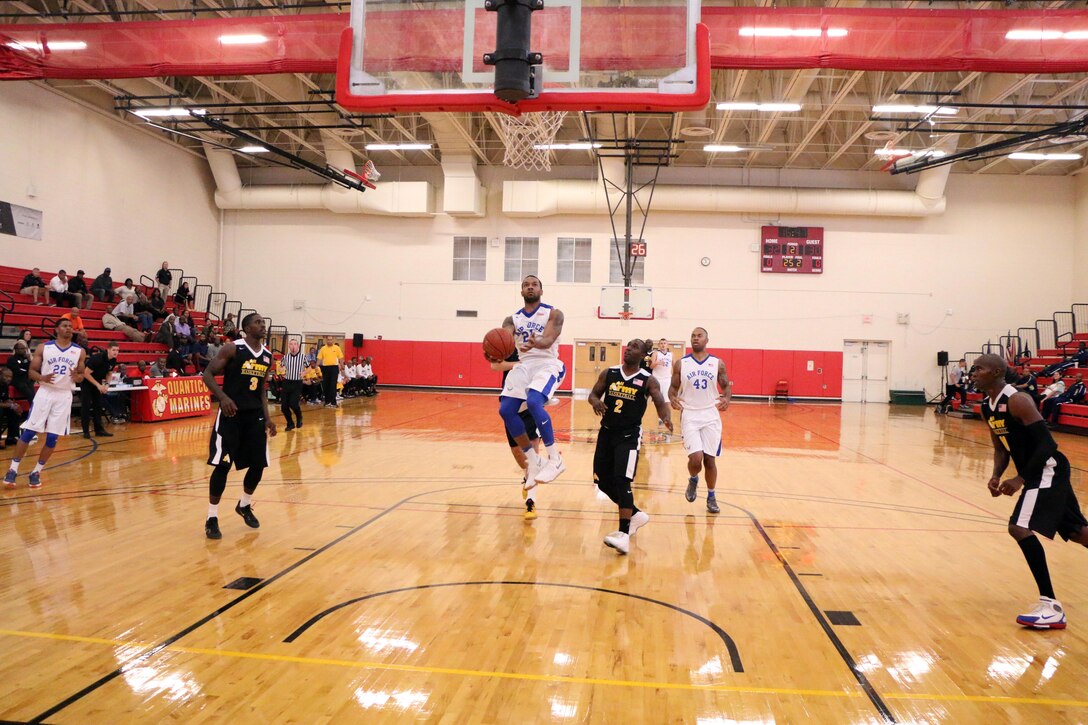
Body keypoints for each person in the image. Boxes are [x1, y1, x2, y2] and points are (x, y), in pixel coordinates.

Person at [972, 353, 1088, 629]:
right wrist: (997, 475)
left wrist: (1020, 479)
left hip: (1047, 470)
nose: (973, 373)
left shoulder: (1018, 400)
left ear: (997, 371)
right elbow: (1001, 447)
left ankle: (1051, 606)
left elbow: (1048, 445)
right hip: (1038, 472)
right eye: (973, 369)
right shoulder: (988, 407)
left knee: (1018, 526)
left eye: (979, 369)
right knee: (1078, 532)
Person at [588, 339, 673, 554]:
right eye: (629, 346)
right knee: (602, 481)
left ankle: (624, 534)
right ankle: (635, 514)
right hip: (606, 433)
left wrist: (666, 417)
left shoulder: (648, 379)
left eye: (635, 347)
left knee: (622, 480)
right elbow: (593, 394)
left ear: (643, 355)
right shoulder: (610, 373)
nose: (629, 349)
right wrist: (595, 401)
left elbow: (659, 400)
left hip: (629, 436)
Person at [202, 312, 277, 539]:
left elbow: (262, 390)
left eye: (264, 322)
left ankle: (244, 505)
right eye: (258, 322)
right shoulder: (232, 348)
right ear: (246, 328)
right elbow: (207, 374)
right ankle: (211, 518)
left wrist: (269, 417)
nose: (263, 325)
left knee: (258, 464)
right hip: (231, 416)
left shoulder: (267, 356)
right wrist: (223, 398)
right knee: (222, 466)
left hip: (255, 417)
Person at [499, 275, 567, 489]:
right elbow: (505, 340)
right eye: (526, 285)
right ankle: (535, 462)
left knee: (535, 401)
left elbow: (547, 340)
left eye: (534, 284)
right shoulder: (512, 319)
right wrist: (494, 350)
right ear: (521, 292)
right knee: (506, 410)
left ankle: (555, 459)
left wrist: (537, 341)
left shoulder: (553, 313)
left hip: (547, 364)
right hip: (524, 366)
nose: (530, 287)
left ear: (541, 290)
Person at [4, 319, 87, 490]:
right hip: (45, 392)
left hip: (64, 395)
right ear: (57, 329)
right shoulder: (44, 347)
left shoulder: (80, 351)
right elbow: (32, 372)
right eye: (65, 326)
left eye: (71, 327)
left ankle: (36, 472)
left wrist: (76, 376)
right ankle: (12, 469)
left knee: (52, 437)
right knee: (29, 432)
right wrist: (42, 377)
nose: (69, 329)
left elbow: (81, 376)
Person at [670, 327, 731, 514]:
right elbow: (673, 388)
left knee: (710, 460)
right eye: (693, 336)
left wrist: (727, 399)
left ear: (706, 340)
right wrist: (672, 398)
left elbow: (726, 386)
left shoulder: (717, 363)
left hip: (710, 415)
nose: (695, 339)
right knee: (696, 459)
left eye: (699, 336)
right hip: (690, 414)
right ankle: (693, 478)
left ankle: (711, 496)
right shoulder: (681, 364)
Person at [491, 352, 544, 519]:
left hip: (530, 403)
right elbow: (495, 365)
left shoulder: (538, 345)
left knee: (533, 457)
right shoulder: (508, 344)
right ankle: (526, 476)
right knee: (518, 454)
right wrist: (519, 364)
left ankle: (531, 502)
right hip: (510, 404)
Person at [81, 342, 118, 439]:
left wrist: (106, 385)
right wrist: (98, 385)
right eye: (114, 350)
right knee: (86, 406)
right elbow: (86, 373)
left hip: (98, 382)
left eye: (117, 350)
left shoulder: (113, 361)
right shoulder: (98, 358)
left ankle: (99, 430)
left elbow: (109, 374)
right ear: (108, 349)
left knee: (98, 406)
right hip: (87, 383)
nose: (116, 352)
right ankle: (86, 431)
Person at [280, 338, 306, 430]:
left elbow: (310, 367)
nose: (293, 346)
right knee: (284, 407)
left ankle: (299, 417)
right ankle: (290, 423)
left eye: (295, 344)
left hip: (297, 383)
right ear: (289, 346)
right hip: (287, 382)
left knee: (293, 404)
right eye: (291, 344)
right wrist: (281, 369)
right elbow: (281, 367)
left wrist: (304, 373)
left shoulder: (303, 357)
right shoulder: (285, 357)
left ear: (298, 346)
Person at [650, 338, 674, 424]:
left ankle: (667, 418)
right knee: (660, 400)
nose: (663, 345)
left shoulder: (671, 354)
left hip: (667, 378)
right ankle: (661, 418)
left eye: (664, 343)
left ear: (667, 345)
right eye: (661, 343)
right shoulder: (655, 353)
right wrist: (657, 363)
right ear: (659, 345)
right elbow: (651, 366)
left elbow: (674, 366)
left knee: (667, 400)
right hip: (657, 379)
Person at [316, 335, 344, 407]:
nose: (329, 341)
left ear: (333, 340)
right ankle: (327, 401)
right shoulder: (323, 349)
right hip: (325, 368)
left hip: (334, 368)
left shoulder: (337, 348)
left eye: (331, 340)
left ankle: (333, 402)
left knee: (333, 385)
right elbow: (319, 358)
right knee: (326, 385)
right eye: (328, 340)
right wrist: (316, 366)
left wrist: (342, 366)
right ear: (326, 340)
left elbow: (340, 358)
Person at [5, 341, 34, 407]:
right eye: (22, 349)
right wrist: (25, 370)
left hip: (26, 380)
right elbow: (17, 371)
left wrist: (29, 359)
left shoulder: (25, 358)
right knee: (30, 395)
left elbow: (30, 368)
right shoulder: (11, 359)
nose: (24, 350)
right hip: (17, 380)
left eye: (24, 349)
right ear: (16, 350)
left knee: (34, 394)